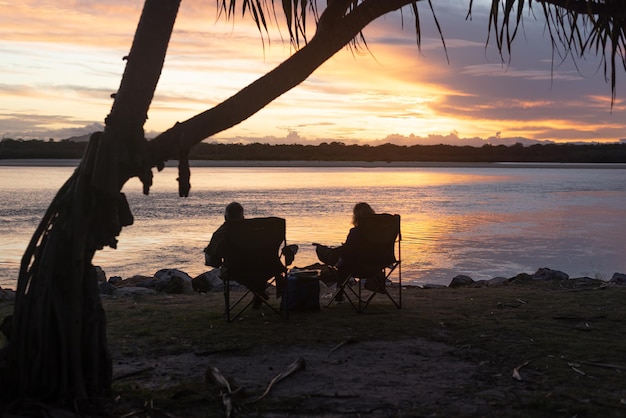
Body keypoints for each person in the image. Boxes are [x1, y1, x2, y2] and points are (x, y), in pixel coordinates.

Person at [314, 202, 376, 301]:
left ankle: (339, 297)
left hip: (358, 266)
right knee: (342, 255)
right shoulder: (379, 235)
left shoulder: (355, 232)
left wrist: (342, 250)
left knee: (342, 263)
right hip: (377, 264)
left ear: (356, 217)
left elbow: (349, 251)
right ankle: (328, 252)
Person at [203, 201, 244, 268]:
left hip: (232, 272)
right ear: (243, 218)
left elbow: (211, 261)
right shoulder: (253, 231)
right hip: (258, 272)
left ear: (225, 217)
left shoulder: (221, 234)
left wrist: (208, 250)